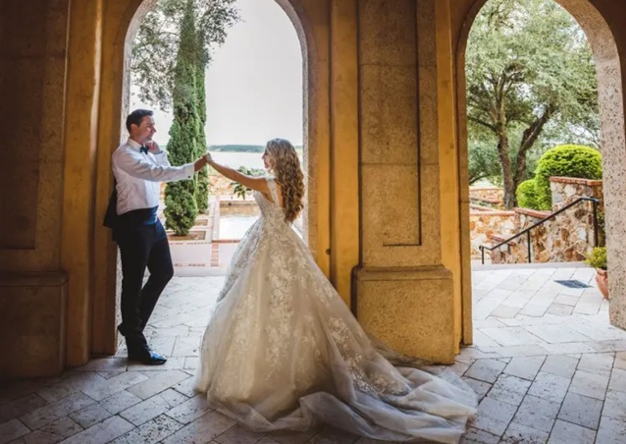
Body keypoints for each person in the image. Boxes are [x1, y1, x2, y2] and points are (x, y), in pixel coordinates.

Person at [196, 139, 477, 442]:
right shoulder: (288, 184)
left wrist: (210, 162)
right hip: (283, 246)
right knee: (290, 309)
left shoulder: (267, 182)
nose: (263, 157)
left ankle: (264, 380)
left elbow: (237, 177)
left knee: (261, 307)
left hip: (267, 248)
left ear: (275, 157)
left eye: (266, 153)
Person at [111, 108, 207, 365]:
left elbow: (162, 168)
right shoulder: (124, 155)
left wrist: (157, 151)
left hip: (153, 221)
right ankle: (136, 345)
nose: (154, 129)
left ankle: (131, 326)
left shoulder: (146, 153)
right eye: (149, 125)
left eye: (153, 125)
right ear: (133, 127)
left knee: (164, 272)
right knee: (132, 282)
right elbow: (156, 174)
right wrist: (193, 167)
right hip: (133, 225)